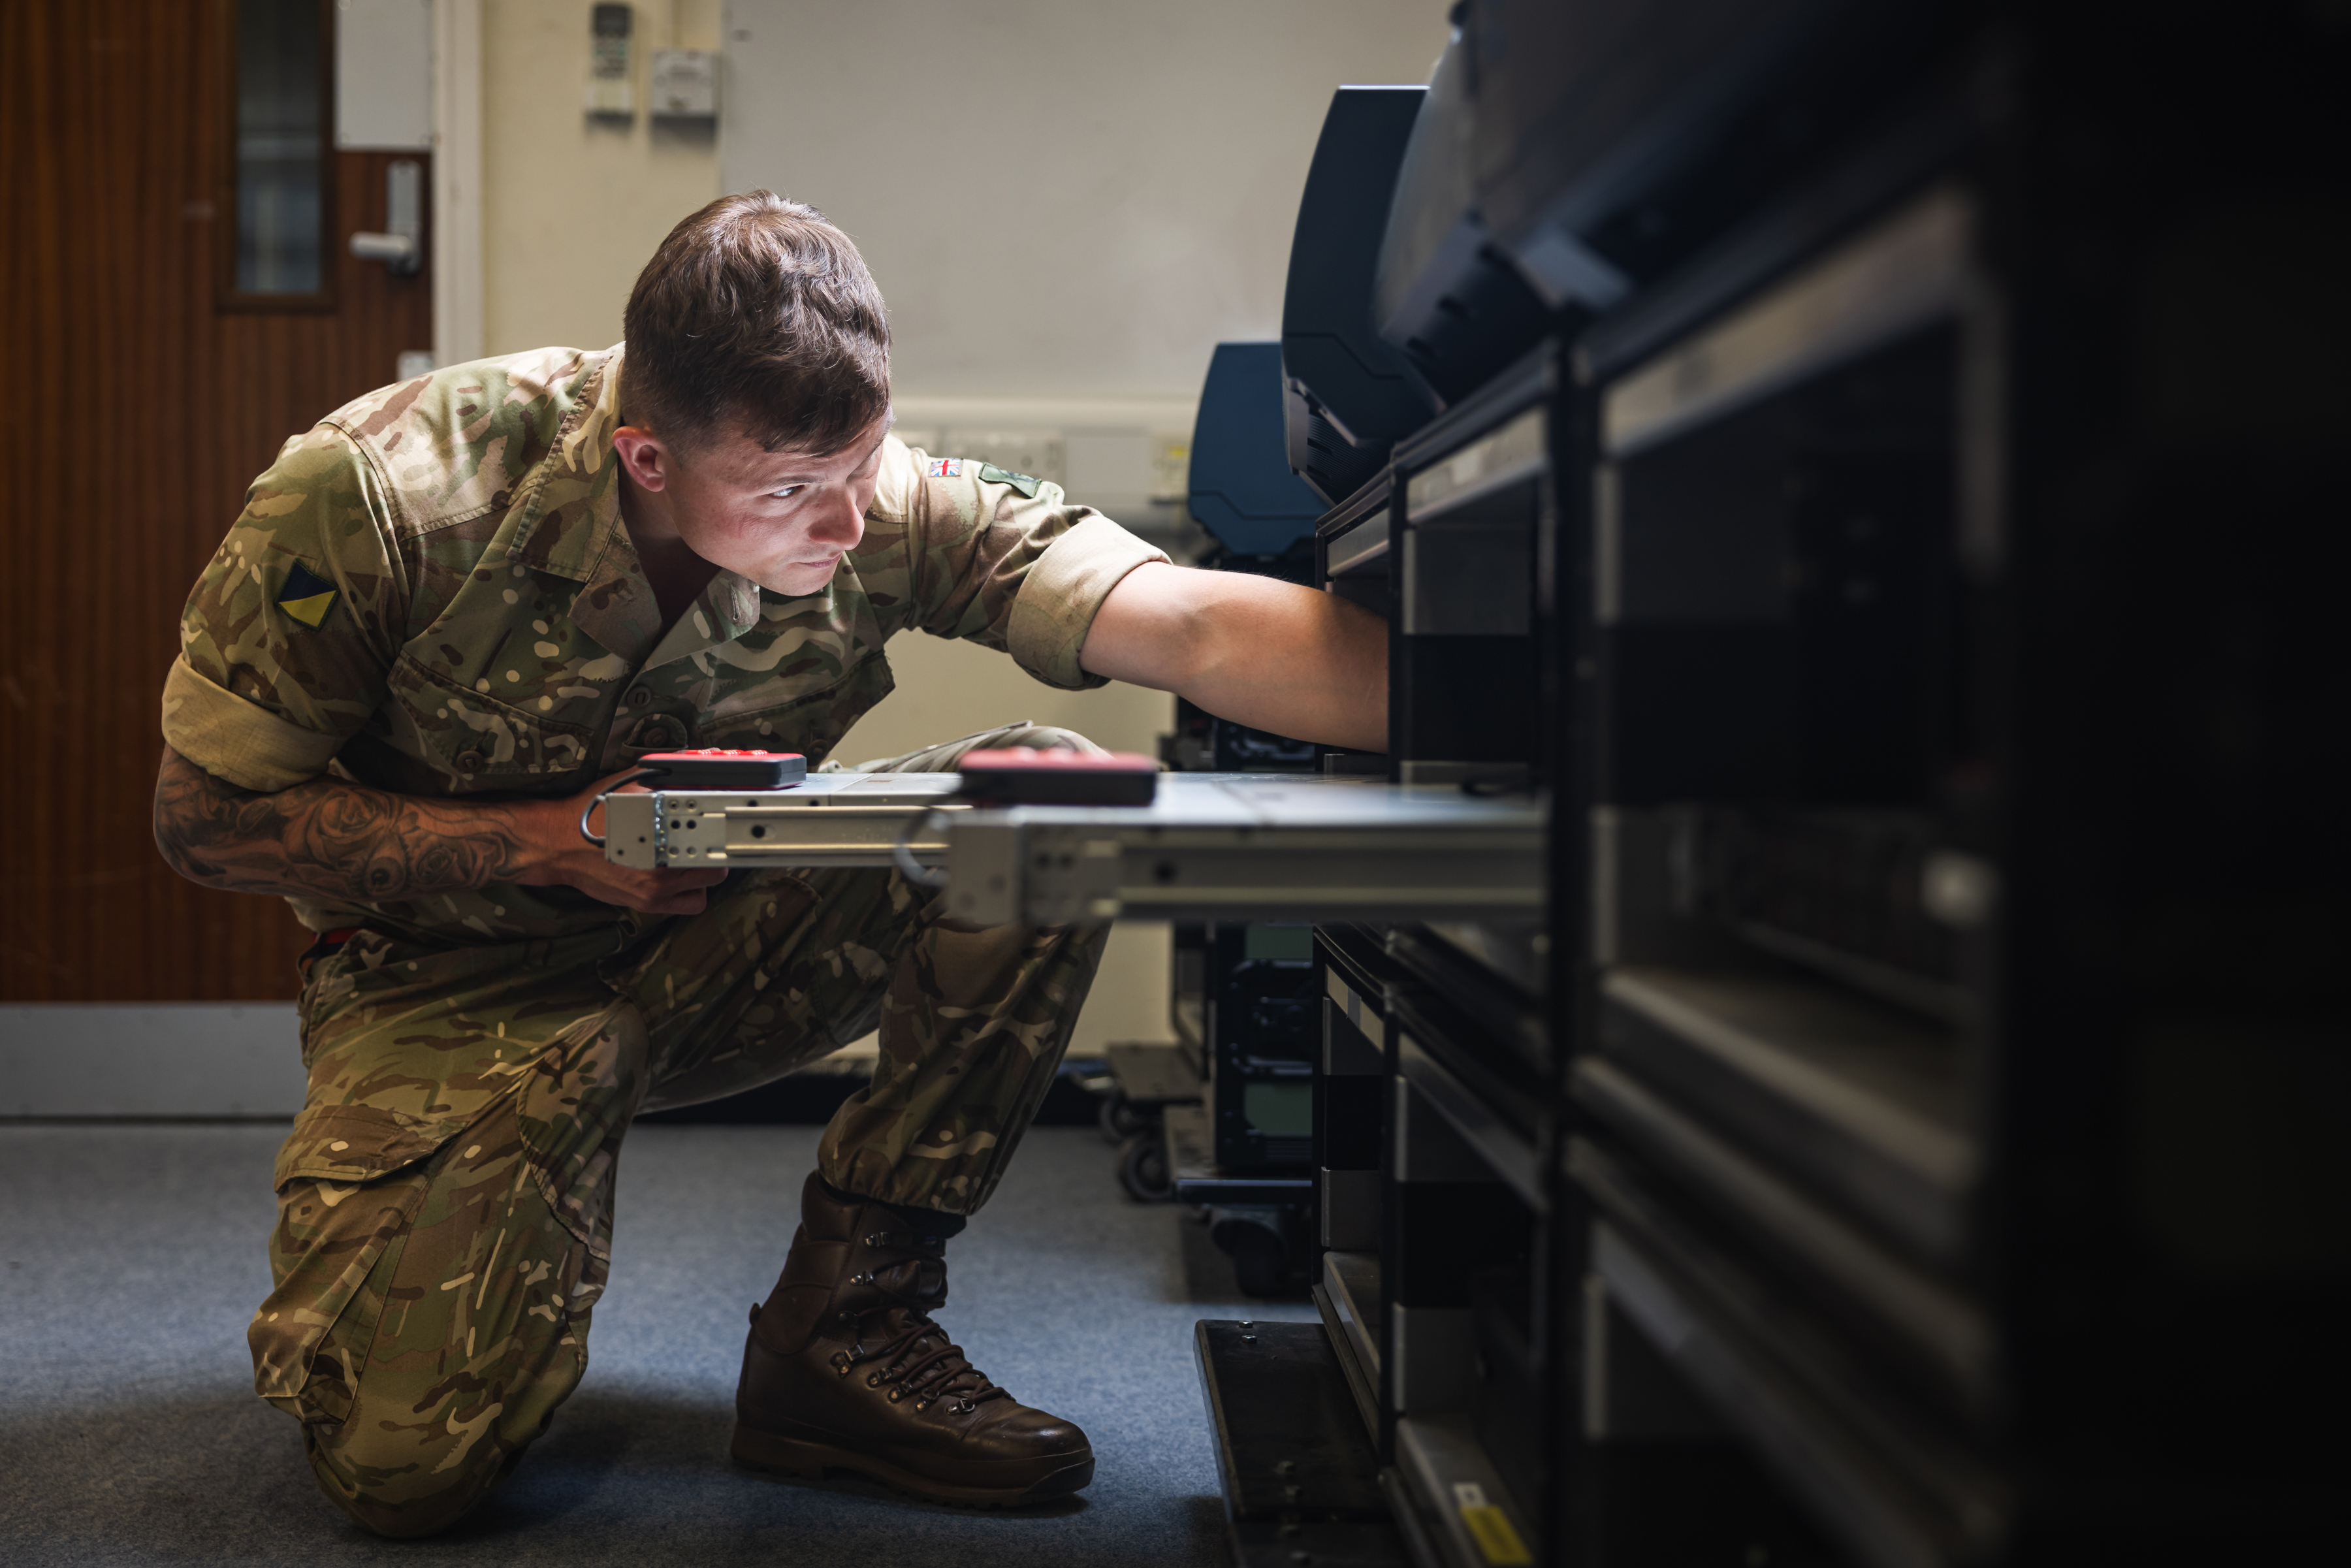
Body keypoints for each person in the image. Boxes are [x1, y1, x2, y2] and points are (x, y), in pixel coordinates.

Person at [152, 190, 1385, 1537]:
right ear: (646, 458)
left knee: (1042, 803)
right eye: (795, 491)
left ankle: (844, 1334)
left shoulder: (863, 492)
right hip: (444, 985)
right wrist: (548, 843)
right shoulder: (382, 498)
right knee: (405, 1479)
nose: (848, 524)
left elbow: (1196, 626)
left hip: (719, 951)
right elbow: (205, 815)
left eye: (862, 464)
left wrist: (1518, 695)